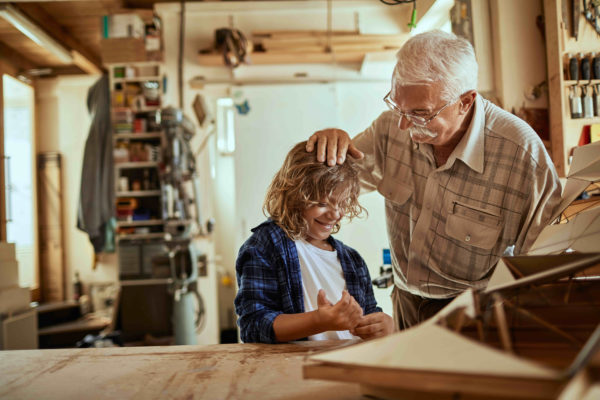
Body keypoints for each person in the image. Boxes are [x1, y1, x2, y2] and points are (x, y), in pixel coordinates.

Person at [305, 30, 562, 330]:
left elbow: (546, 264)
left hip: (475, 313)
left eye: (420, 113)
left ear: (465, 102)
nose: (403, 124)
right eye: (397, 105)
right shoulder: (392, 126)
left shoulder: (521, 153)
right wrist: (325, 150)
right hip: (405, 303)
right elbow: (331, 188)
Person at [234, 141, 394, 343]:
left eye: (342, 203)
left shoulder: (353, 260)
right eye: (322, 203)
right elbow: (253, 326)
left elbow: (370, 315)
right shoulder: (265, 245)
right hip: (290, 370)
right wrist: (318, 321)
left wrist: (384, 325)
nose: (335, 214)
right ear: (293, 195)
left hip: (347, 368)